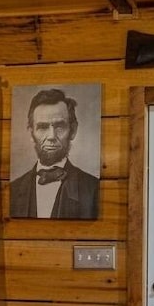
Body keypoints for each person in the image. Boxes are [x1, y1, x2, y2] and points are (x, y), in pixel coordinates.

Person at [10, 88, 99, 219]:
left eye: (59, 126)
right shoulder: (14, 189)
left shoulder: (93, 189)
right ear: (31, 133)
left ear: (73, 130)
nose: (51, 136)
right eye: (42, 127)